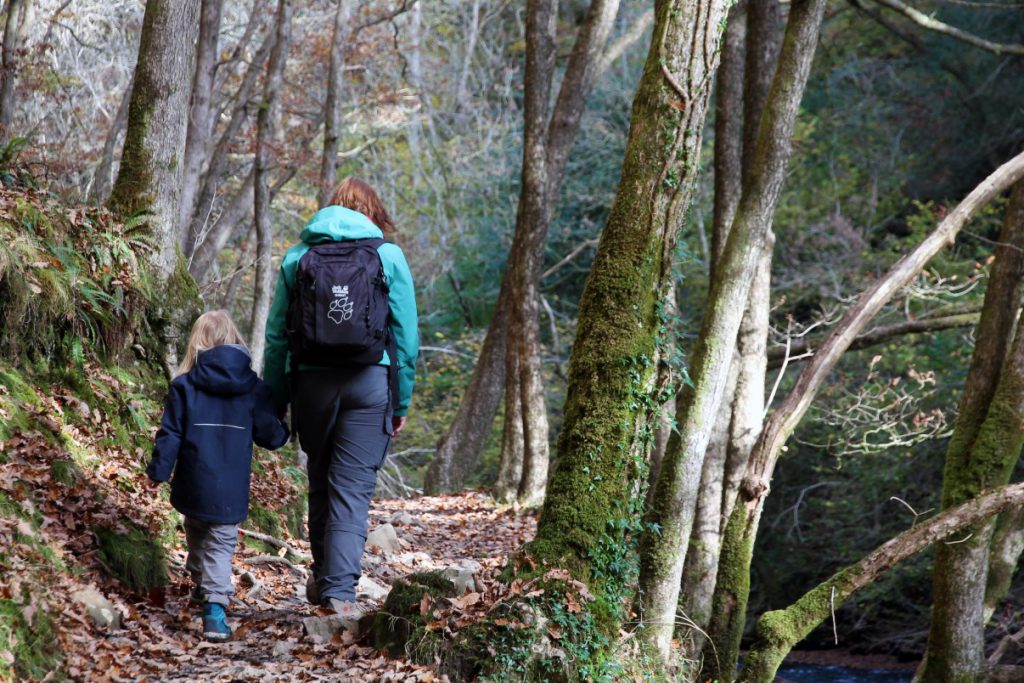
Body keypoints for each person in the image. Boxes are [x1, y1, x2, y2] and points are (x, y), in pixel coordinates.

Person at [263, 177, 418, 619]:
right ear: (373, 213)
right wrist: (400, 401)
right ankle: (339, 595)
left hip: (311, 385)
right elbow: (406, 341)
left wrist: (275, 400)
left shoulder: (298, 257)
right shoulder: (387, 256)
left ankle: (325, 577)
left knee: (321, 481)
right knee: (350, 490)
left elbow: (277, 337)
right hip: (370, 384)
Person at [146, 310, 289, 641]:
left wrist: (157, 472)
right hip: (230, 490)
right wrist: (284, 432)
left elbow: (170, 435)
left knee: (196, 529)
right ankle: (213, 609)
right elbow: (269, 434)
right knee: (220, 545)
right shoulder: (252, 387)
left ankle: (200, 583)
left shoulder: (184, 385)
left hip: (193, 484)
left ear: (197, 343)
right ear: (234, 339)